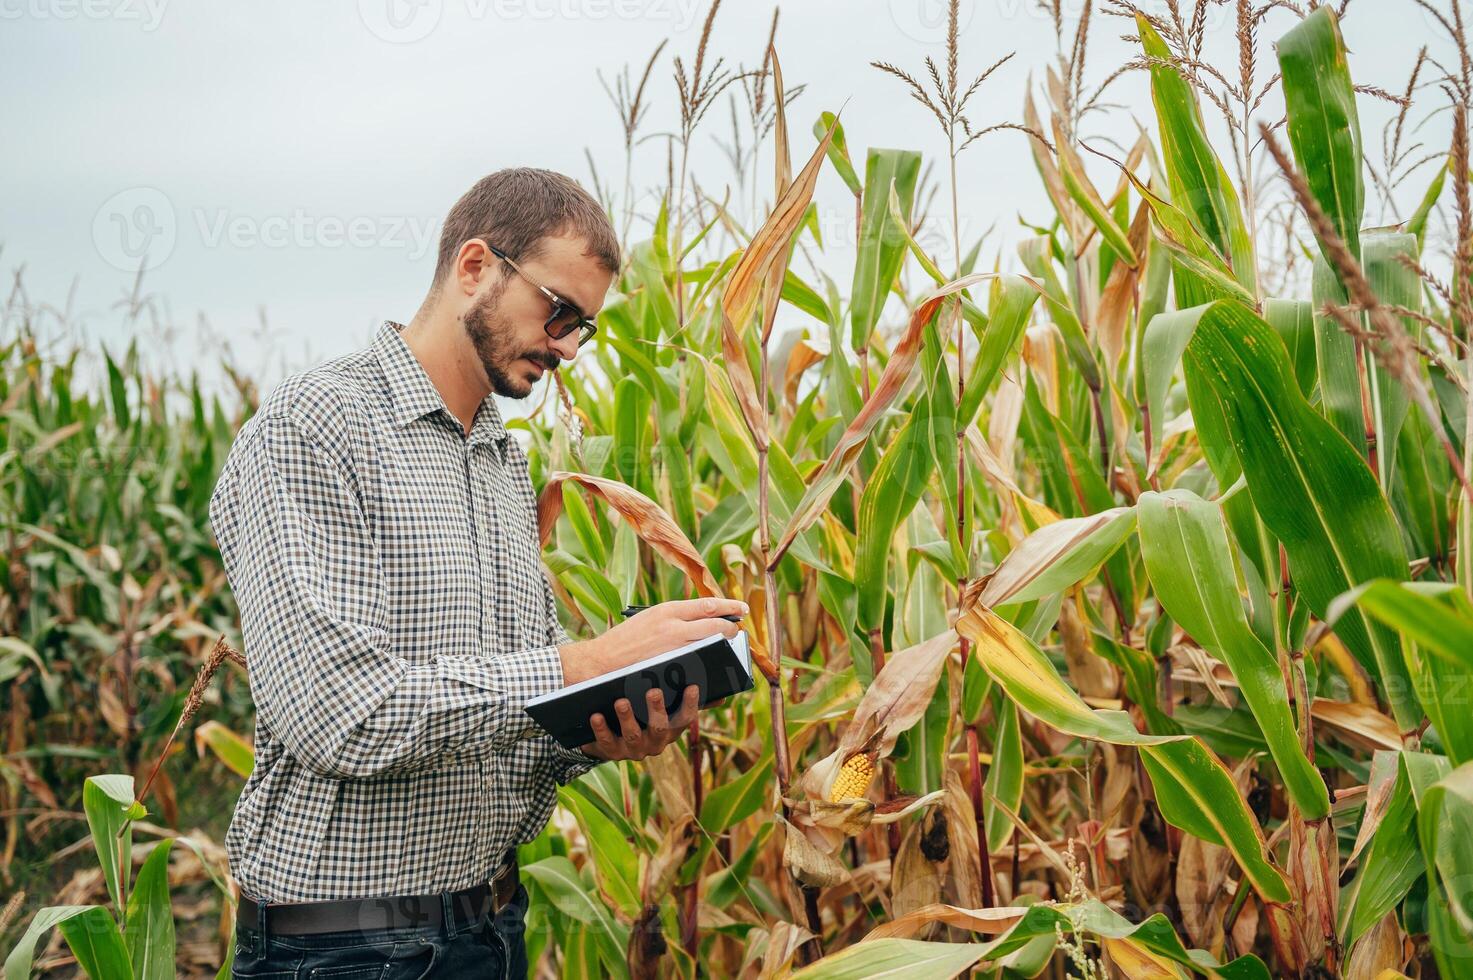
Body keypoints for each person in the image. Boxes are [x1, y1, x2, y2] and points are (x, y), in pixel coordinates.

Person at [209, 167, 746, 978]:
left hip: (489, 925)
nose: (567, 347)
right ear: (474, 268)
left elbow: (506, 715)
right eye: (558, 311)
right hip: (344, 947)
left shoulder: (500, 459)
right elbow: (336, 713)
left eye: (584, 330)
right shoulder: (314, 429)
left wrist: (607, 724)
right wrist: (587, 662)